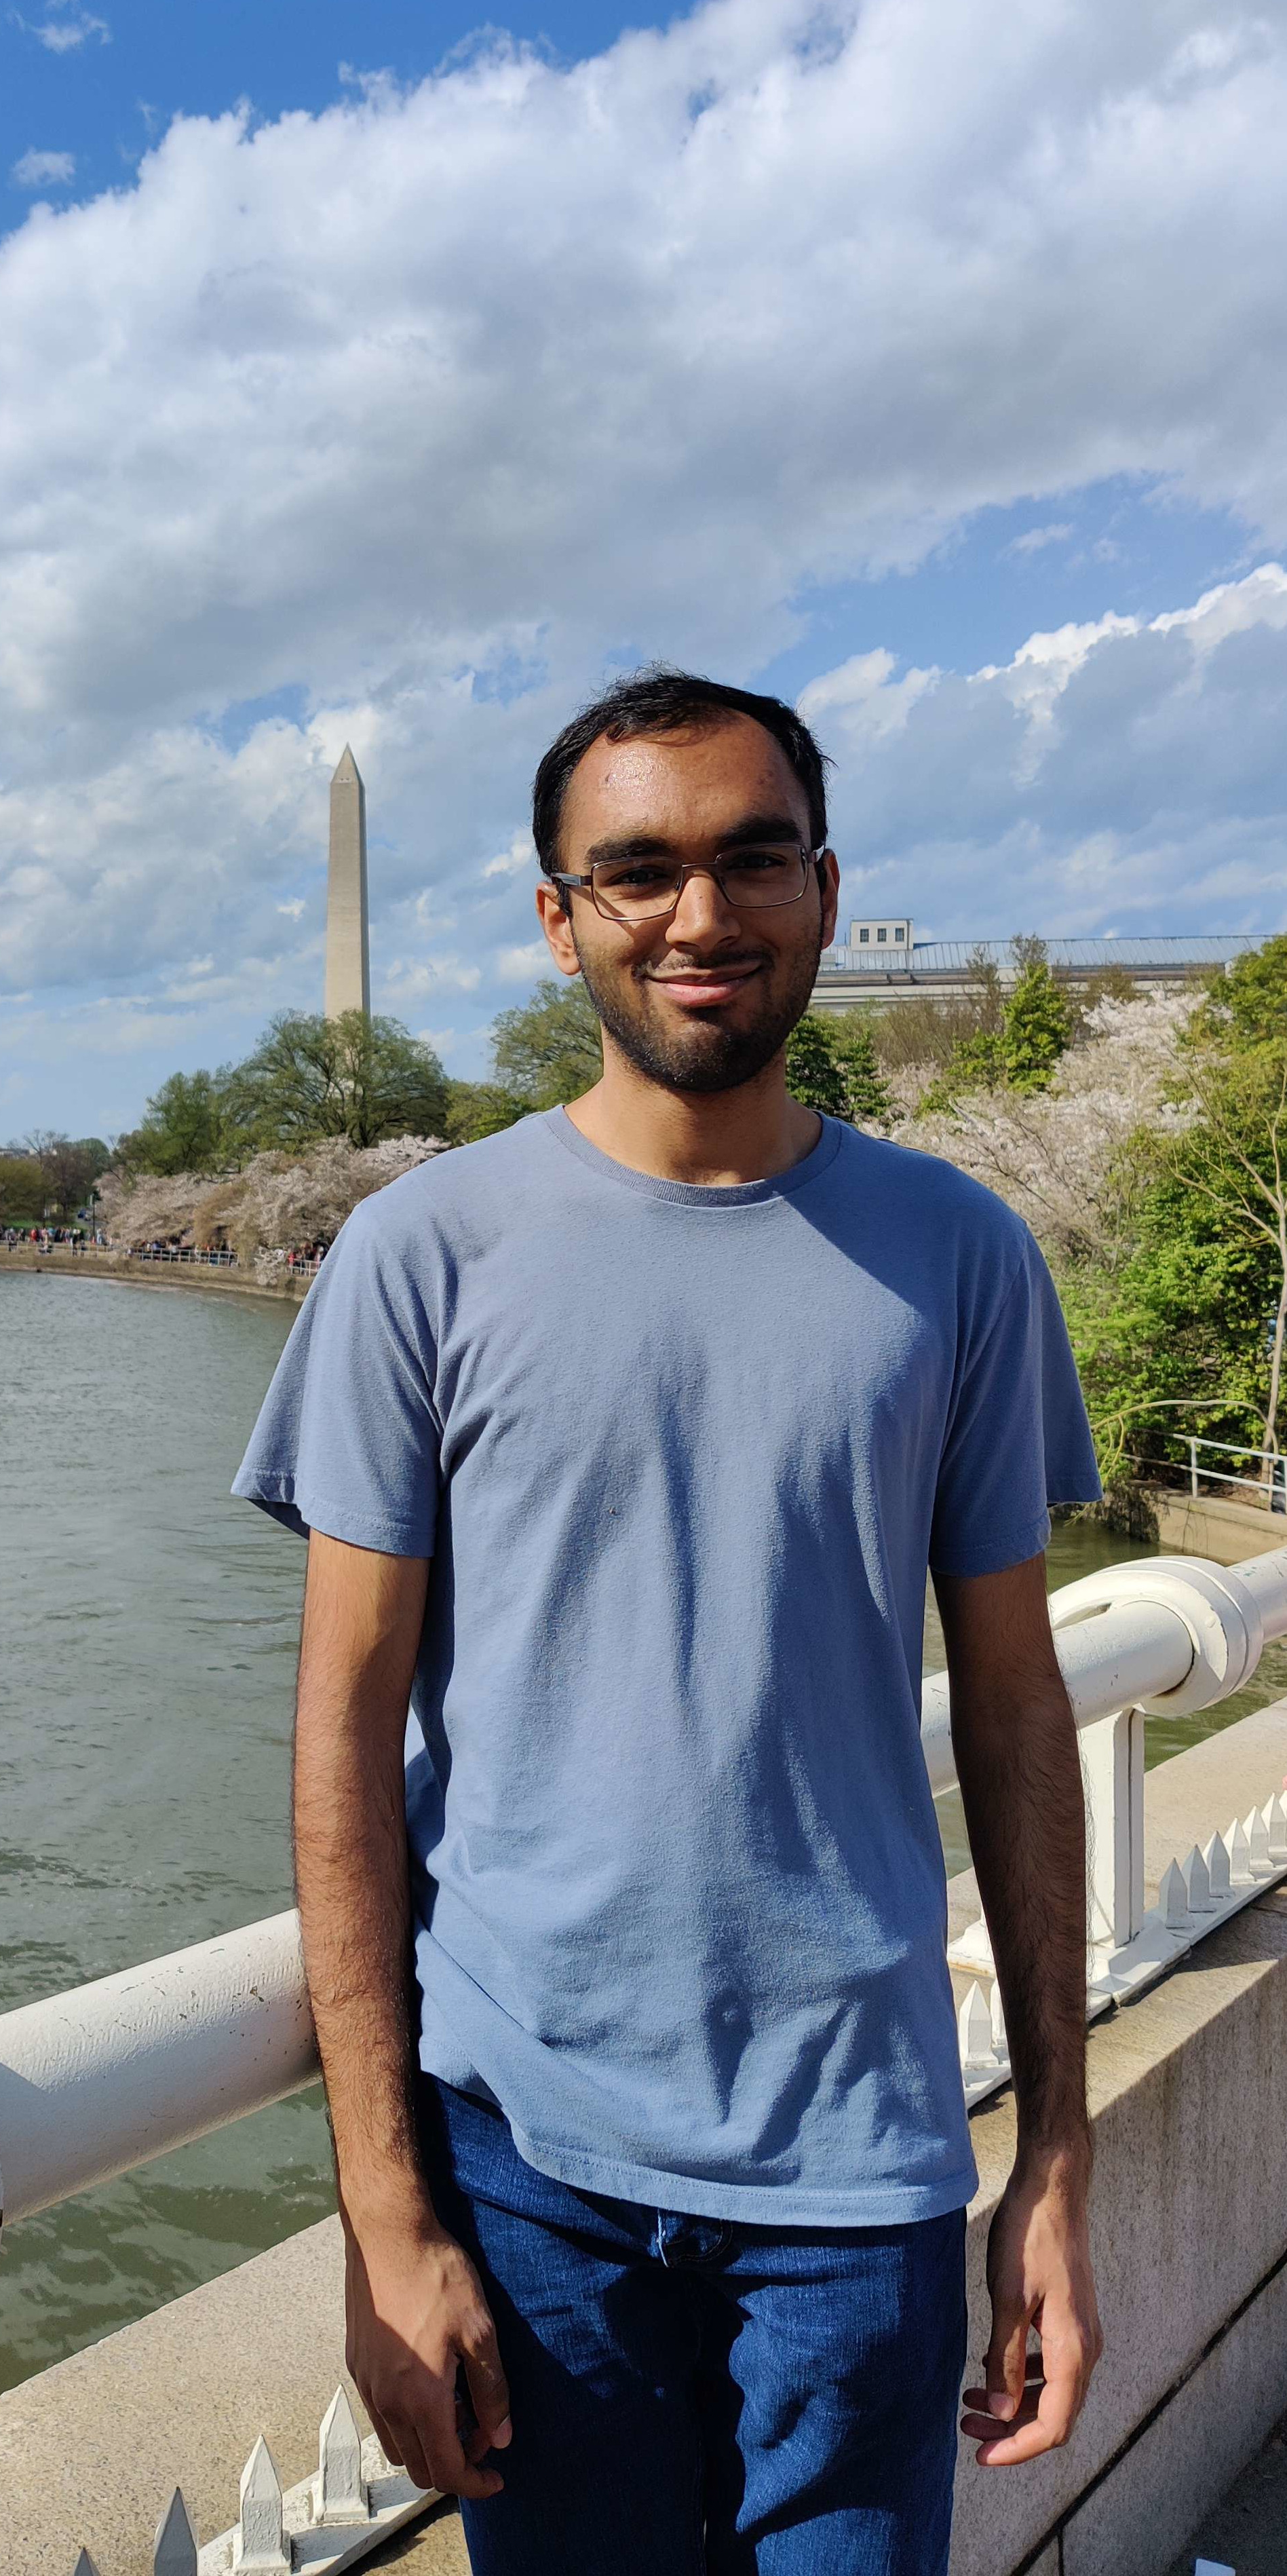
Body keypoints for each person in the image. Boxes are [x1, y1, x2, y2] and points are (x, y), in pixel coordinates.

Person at [233, 669, 1104, 2574]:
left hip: (863, 2162)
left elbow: (1020, 1717)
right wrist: (386, 2213)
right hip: (528, 2165)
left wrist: (1055, 2151)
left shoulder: (962, 1258)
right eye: (636, 871)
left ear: (822, 884)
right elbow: (339, 1743)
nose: (699, 915)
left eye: (750, 858)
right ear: (559, 917)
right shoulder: (418, 1260)